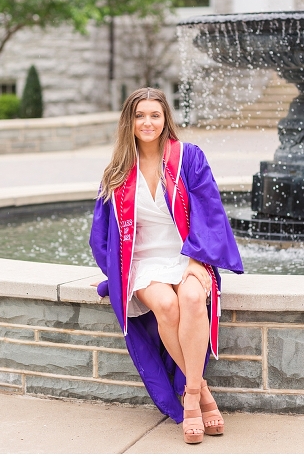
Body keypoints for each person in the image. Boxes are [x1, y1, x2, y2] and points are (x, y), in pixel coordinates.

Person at [89, 87, 243, 444]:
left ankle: (191, 393)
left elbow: (210, 209)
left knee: (190, 299)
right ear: (129, 122)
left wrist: (198, 260)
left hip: (189, 254)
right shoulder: (116, 172)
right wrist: (116, 274)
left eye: (154, 115)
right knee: (166, 304)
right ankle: (200, 393)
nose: (147, 122)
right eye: (140, 115)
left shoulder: (187, 157)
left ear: (165, 119)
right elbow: (102, 235)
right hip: (143, 262)